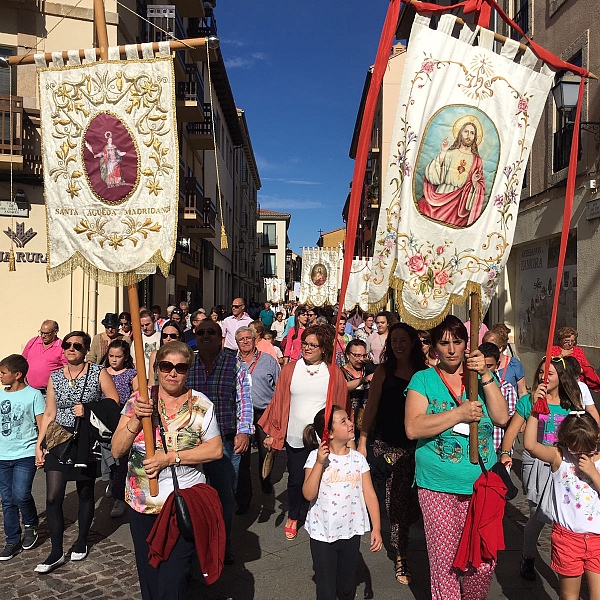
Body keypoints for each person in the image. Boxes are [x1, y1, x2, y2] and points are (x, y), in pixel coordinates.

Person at [405, 316, 509, 599]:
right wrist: (458, 414)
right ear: (435, 347)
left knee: (483, 564)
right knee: (446, 564)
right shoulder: (423, 379)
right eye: (444, 342)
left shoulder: (479, 377)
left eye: (458, 342)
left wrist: (485, 375)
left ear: (467, 344)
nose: (451, 349)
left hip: (480, 485)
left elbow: (501, 417)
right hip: (437, 484)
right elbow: (413, 427)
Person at [111, 342, 223, 600]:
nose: (173, 373)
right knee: (149, 575)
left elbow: (216, 450)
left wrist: (170, 458)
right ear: (157, 369)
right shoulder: (139, 401)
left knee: (174, 579)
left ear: (188, 372)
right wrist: (137, 419)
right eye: (166, 366)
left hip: (181, 504)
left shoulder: (200, 405)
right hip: (142, 504)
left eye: (180, 368)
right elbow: (117, 450)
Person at [499, 356, 592, 581]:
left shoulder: (572, 401)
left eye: (549, 373)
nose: (544, 377)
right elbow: (511, 432)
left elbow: (585, 428)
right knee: (538, 514)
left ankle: (566, 558)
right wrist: (505, 454)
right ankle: (528, 555)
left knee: (564, 513)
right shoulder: (528, 401)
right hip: (538, 461)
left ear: (560, 376)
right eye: (541, 372)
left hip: (565, 463)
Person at [34, 331, 118, 573]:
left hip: (85, 438)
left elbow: (113, 400)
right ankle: (56, 551)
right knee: (53, 496)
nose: (71, 349)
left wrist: (89, 409)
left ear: (85, 350)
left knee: (84, 491)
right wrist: (40, 444)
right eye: (67, 345)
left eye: (77, 346)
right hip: (58, 437)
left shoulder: (96, 372)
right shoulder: (55, 376)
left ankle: (82, 539)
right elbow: (49, 412)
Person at [259, 325, 351, 540]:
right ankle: (293, 514)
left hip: (322, 437)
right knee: (296, 479)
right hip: (294, 435)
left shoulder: (333, 373)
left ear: (324, 348)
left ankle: (320, 514)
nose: (307, 348)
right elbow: (279, 402)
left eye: (313, 345)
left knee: (324, 479)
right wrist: (273, 432)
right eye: (305, 343)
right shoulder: (291, 369)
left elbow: (341, 405)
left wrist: (344, 435)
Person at [358, 323, 426, 585]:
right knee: (395, 505)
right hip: (387, 446)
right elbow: (371, 407)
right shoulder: (384, 371)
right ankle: (402, 555)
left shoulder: (424, 373)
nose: (398, 346)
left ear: (412, 343)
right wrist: (363, 440)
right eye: (394, 341)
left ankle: (405, 540)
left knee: (412, 507)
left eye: (403, 340)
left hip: (417, 448)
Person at [186, 319, 253, 563]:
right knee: (194, 496)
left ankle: (221, 546)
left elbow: (244, 400)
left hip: (225, 441)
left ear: (220, 336)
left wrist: (244, 431)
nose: (206, 336)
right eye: (201, 332)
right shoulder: (188, 362)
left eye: (211, 332)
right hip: (191, 442)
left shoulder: (234, 364)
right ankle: (196, 546)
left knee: (225, 497)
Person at [302, 406, 382, 600]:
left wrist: (377, 528)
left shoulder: (358, 459)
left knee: (347, 587)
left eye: (349, 419)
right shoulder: (315, 457)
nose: (350, 424)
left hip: (350, 531)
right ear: (328, 433)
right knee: (326, 589)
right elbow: (308, 493)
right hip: (322, 533)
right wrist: (320, 464)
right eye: (343, 421)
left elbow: (370, 494)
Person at [524, 411, 600, 600]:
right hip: (568, 539)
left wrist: (593, 473)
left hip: (597, 539)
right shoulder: (560, 457)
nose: (582, 454)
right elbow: (530, 446)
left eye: (590, 449)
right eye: (575, 449)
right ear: (565, 442)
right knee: (568, 595)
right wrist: (535, 413)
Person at [0, 355, 45, 560]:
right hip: (3, 455)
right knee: (7, 500)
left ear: (17, 375)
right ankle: (12, 540)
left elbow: (42, 423)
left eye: (3, 373)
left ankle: (30, 523)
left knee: (21, 494)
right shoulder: (1, 395)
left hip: (25, 453)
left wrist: (40, 448)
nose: (0, 376)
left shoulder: (34, 395)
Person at [235, 327, 280, 506]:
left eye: (248, 338)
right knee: (242, 456)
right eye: (241, 339)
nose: (245, 341)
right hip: (241, 414)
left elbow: (279, 388)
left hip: (264, 412)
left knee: (265, 452)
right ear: (237, 343)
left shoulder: (268, 360)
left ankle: (265, 481)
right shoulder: (232, 362)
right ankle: (244, 498)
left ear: (255, 340)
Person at [418, 121, 486, 227]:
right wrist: (443, 152)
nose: (468, 135)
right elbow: (434, 176)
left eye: (472, 133)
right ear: (460, 133)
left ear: (475, 137)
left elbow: (480, 189)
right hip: (441, 195)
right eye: (466, 131)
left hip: (460, 203)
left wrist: (474, 183)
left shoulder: (477, 161)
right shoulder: (449, 153)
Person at [103, 340, 138, 518]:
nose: (114, 360)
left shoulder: (131, 374)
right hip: (103, 423)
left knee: (120, 461)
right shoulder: (101, 372)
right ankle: (111, 482)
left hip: (123, 420)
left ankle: (119, 497)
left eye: (118, 356)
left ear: (125, 358)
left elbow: (137, 394)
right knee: (107, 459)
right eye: (111, 356)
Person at [479, 342, 517, 452]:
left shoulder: (507, 388)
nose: (484, 369)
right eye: (482, 365)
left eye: (489, 366)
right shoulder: (472, 387)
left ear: (497, 364)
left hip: (499, 448)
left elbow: (510, 421)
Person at [22, 320, 67, 394]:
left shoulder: (61, 346)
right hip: (29, 390)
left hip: (48, 393)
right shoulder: (33, 341)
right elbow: (22, 361)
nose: (43, 336)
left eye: (46, 333)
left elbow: (67, 368)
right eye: (41, 332)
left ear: (55, 332)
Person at [551, 326, 600, 392]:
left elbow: (586, 366)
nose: (570, 344)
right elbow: (549, 364)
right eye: (567, 341)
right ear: (560, 340)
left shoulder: (578, 350)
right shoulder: (553, 349)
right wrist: (561, 355)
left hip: (576, 382)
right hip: (559, 382)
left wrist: (581, 370)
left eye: (572, 341)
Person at [340, 339, 374, 434]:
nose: (360, 359)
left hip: (368, 422)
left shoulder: (369, 369)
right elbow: (343, 387)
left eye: (363, 356)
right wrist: (363, 380)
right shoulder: (341, 372)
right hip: (348, 421)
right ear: (347, 355)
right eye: (357, 356)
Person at [482, 328, 527, 397]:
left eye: (491, 346)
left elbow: (522, 391)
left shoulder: (514, 364)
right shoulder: (480, 364)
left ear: (500, 348)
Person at [148, 321, 185, 386]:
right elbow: (151, 383)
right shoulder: (155, 355)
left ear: (179, 337)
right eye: (164, 336)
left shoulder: (185, 356)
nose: (168, 339)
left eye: (172, 336)